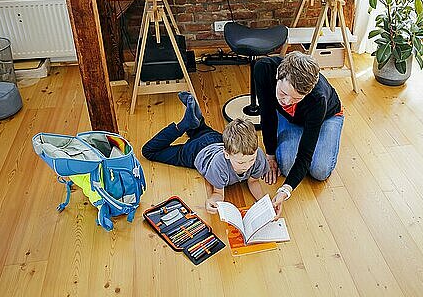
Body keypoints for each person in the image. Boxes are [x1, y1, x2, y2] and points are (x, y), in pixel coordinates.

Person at [142, 92, 268, 213]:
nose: (247, 166)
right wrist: (211, 201)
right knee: (149, 151)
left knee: (200, 130)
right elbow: (218, 193)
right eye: (241, 162)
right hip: (196, 151)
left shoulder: (258, 155)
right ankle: (183, 125)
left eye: (251, 159)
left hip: (215, 138)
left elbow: (253, 181)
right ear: (227, 154)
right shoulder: (220, 165)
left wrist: (263, 203)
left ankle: (195, 121)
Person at [254, 51, 344, 218]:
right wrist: (270, 155)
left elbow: (305, 155)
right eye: (283, 93)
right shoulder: (263, 69)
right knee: (288, 167)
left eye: (296, 98)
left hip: (326, 117)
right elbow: (267, 114)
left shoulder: (318, 98)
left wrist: (285, 190)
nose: (286, 101)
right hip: (291, 118)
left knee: (320, 171)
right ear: (278, 76)